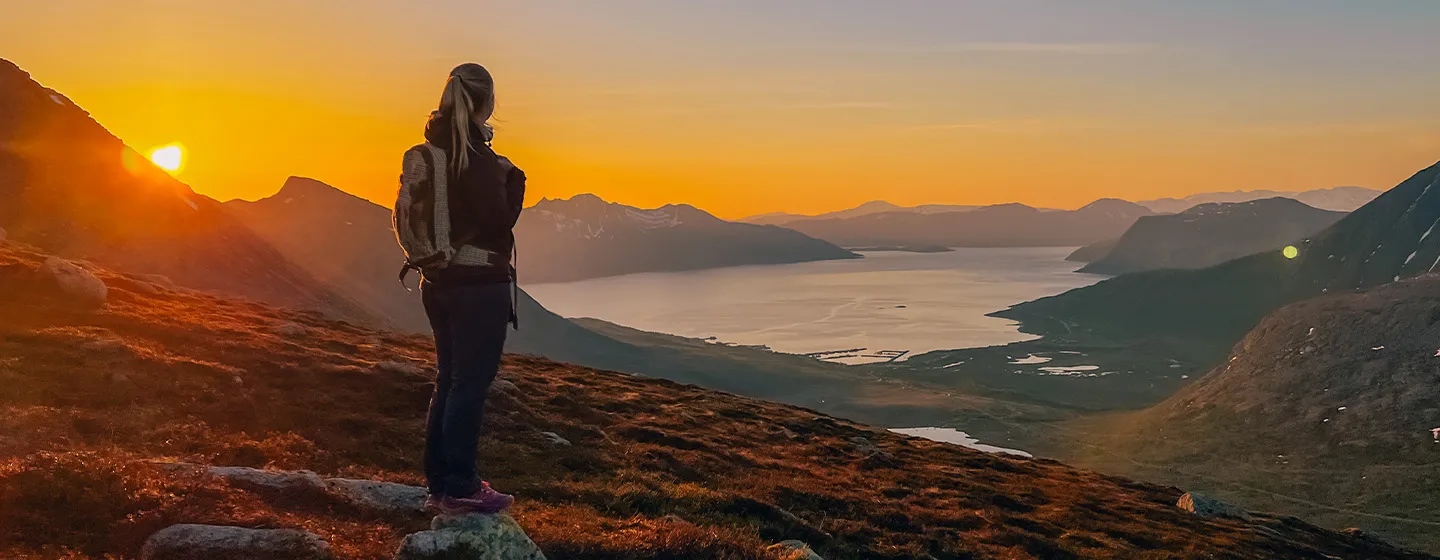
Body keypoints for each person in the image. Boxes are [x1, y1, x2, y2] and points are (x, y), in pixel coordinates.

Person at [416, 63, 525, 515]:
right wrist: (513, 178)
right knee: (469, 385)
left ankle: (441, 481)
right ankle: (461, 484)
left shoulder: (432, 153)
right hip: (480, 287)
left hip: (436, 281)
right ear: (488, 103)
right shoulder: (483, 163)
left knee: (449, 381)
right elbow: (499, 225)